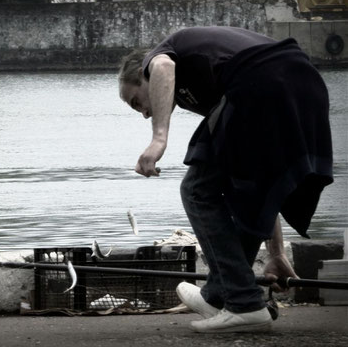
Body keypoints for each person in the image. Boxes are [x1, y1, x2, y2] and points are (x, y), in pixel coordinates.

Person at [118, 26, 333, 333]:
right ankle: (220, 295)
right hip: (306, 87)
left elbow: (163, 67)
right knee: (248, 187)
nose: (142, 113)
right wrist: (276, 253)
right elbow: (263, 183)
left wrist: (159, 139)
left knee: (196, 190)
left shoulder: (160, 56)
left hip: (264, 77)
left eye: (136, 102)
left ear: (143, 73)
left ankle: (244, 304)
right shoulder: (214, 86)